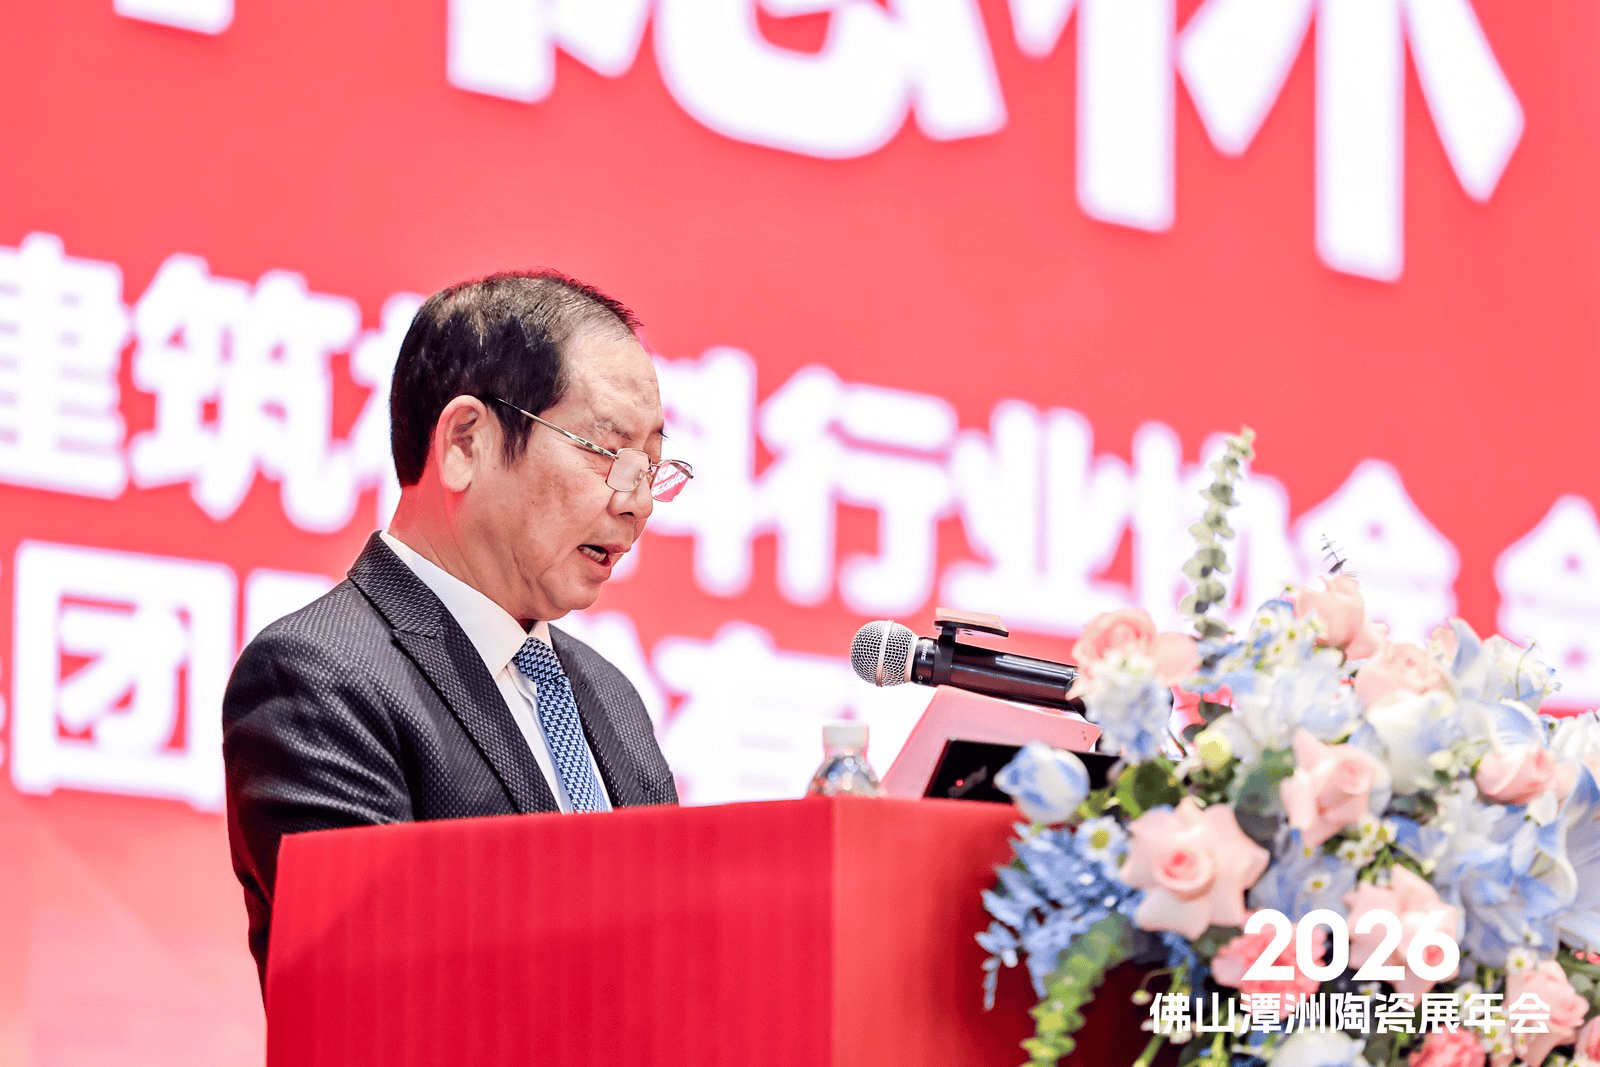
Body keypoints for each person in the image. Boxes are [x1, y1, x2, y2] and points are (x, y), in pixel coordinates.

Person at [222, 271, 688, 987]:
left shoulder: (609, 697)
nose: (639, 503)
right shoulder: (316, 677)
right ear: (466, 442)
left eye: (651, 465)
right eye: (606, 451)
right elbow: (377, 984)